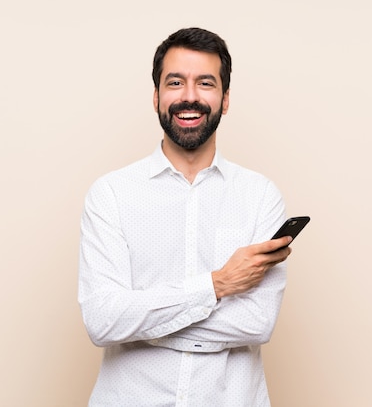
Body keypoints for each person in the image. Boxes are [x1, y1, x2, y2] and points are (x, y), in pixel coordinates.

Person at [78, 27, 294, 407]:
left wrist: (144, 324)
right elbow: (103, 321)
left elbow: (257, 323)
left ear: (225, 99)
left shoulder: (260, 196)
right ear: (156, 96)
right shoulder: (111, 194)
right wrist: (217, 284)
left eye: (205, 83)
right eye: (175, 82)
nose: (190, 96)